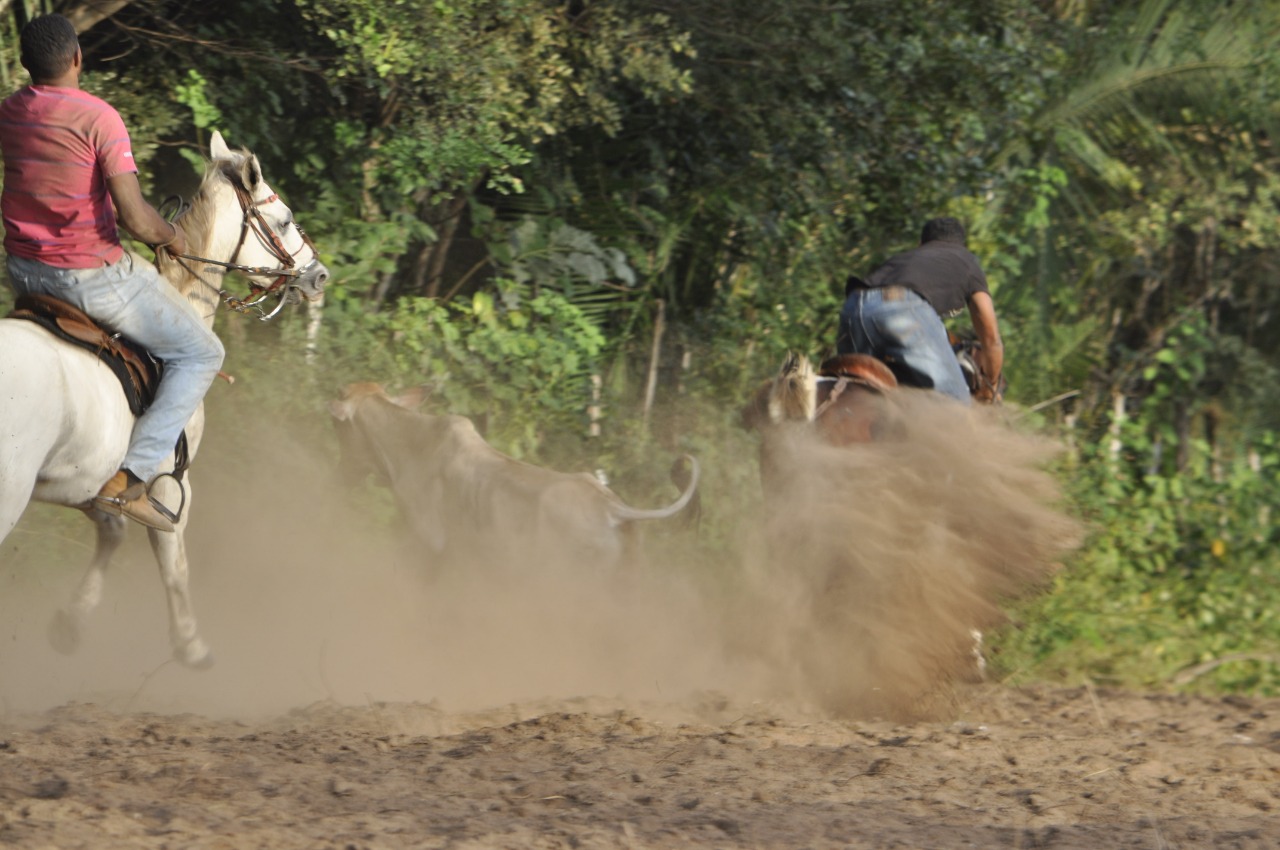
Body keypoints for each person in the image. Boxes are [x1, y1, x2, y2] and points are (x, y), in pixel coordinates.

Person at [0, 13, 225, 532]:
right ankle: (130, 480)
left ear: (26, 64)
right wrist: (172, 238)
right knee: (203, 352)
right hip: (87, 276)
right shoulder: (99, 118)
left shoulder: (9, 111)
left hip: (24, 274)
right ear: (78, 57)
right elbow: (134, 215)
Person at [836, 216, 1003, 404]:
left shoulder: (907, 259)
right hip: (899, 306)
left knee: (860, 397)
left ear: (921, 243)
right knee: (956, 399)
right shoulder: (968, 263)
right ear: (962, 246)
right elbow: (991, 339)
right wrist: (990, 386)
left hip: (853, 306)